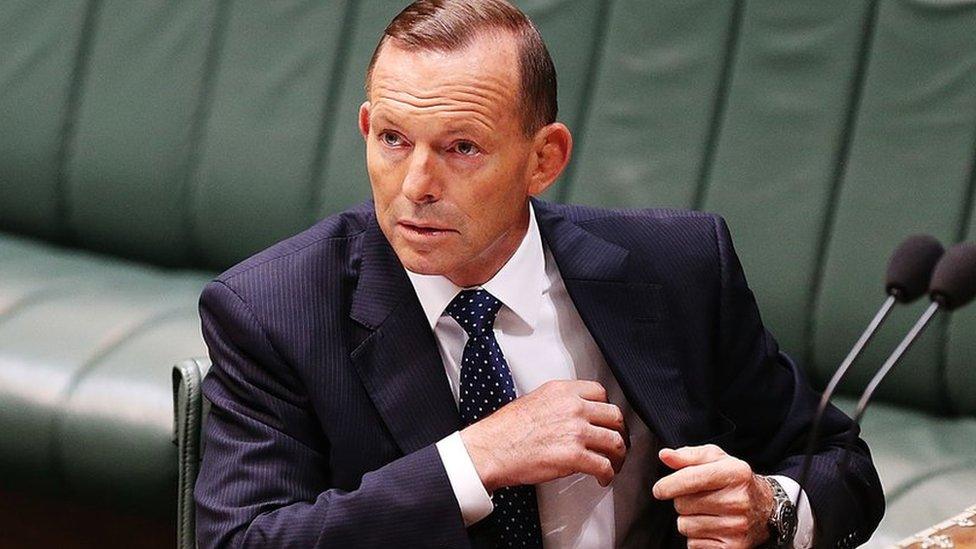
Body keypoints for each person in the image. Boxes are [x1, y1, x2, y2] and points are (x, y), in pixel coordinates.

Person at [194, 1, 884, 547]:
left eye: (461, 147)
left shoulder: (677, 269)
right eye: (394, 139)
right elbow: (243, 540)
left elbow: (837, 464)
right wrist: (472, 459)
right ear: (367, 125)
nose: (415, 185)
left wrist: (767, 507)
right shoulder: (274, 309)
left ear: (544, 158)